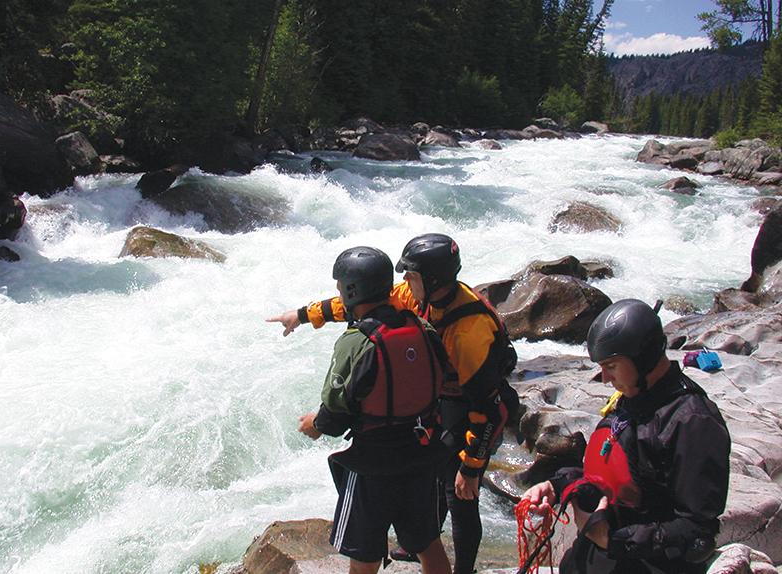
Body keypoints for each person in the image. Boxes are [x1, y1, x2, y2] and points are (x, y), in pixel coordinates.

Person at [271, 233, 519, 574]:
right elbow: (361, 302)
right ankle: (417, 537)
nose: (403, 280)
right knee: (427, 489)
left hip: (474, 406)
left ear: (432, 281)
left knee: (459, 491)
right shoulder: (416, 296)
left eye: (411, 274)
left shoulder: (469, 332)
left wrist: (473, 467)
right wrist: (302, 315)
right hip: (435, 409)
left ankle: (462, 567)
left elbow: (488, 409)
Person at [521, 299, 730, 574]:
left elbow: (696, 531)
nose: (604, 378)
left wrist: (612, 540)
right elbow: (610, 473)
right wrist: (556, 487)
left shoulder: (693, 422)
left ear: (643, 358)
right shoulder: (635, 398)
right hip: (595, 558)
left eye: (611, 366)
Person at [297, 245, 455, 574]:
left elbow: (336, 415)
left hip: (373, 465)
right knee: (428, 543)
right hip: (421, 454)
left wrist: (316, 424)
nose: (338, 292)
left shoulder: (356, 342)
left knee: (364, 556)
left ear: (354, 290)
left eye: (341, 286)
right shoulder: (423, 329)